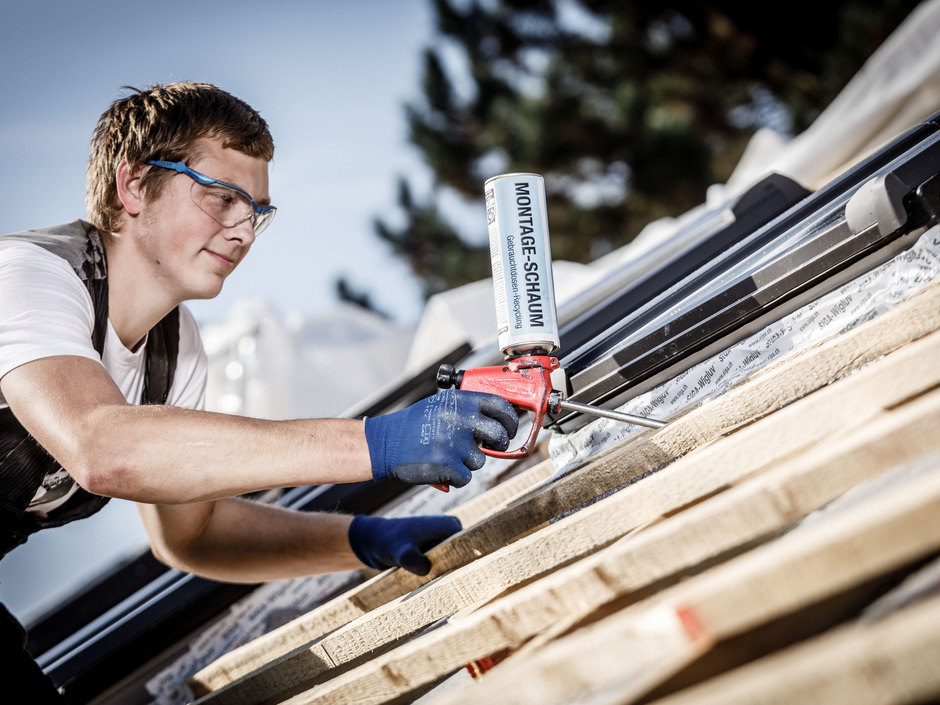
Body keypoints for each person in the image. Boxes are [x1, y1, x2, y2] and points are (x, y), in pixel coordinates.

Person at [0, 81, 517, 701]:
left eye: (256, 212)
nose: (243, 232)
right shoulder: (30, 276)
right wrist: (378, 441)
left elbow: (193, 533)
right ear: (133, 185)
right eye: (221, 199)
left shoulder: (175, 350)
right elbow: (103, 448)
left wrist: (361, 539)